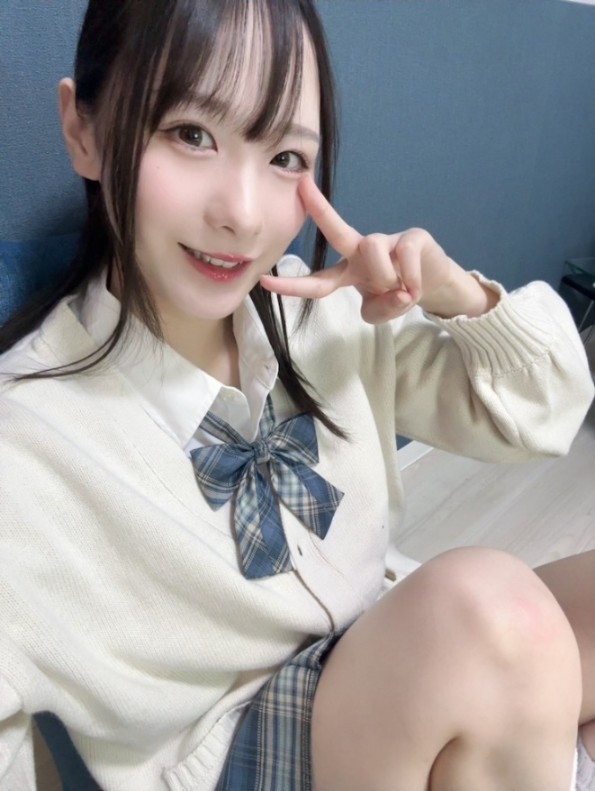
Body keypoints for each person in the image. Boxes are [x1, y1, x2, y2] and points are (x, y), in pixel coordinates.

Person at [0, 0, 594, 789]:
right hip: (236, 753)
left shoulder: (324, 319)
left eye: (284, 156)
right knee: (495, 618)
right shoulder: (26, 448)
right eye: (190, 134)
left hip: (386, 652)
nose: (242, 215)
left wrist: (454, 293)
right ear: (84, 131)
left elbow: (544, 412)